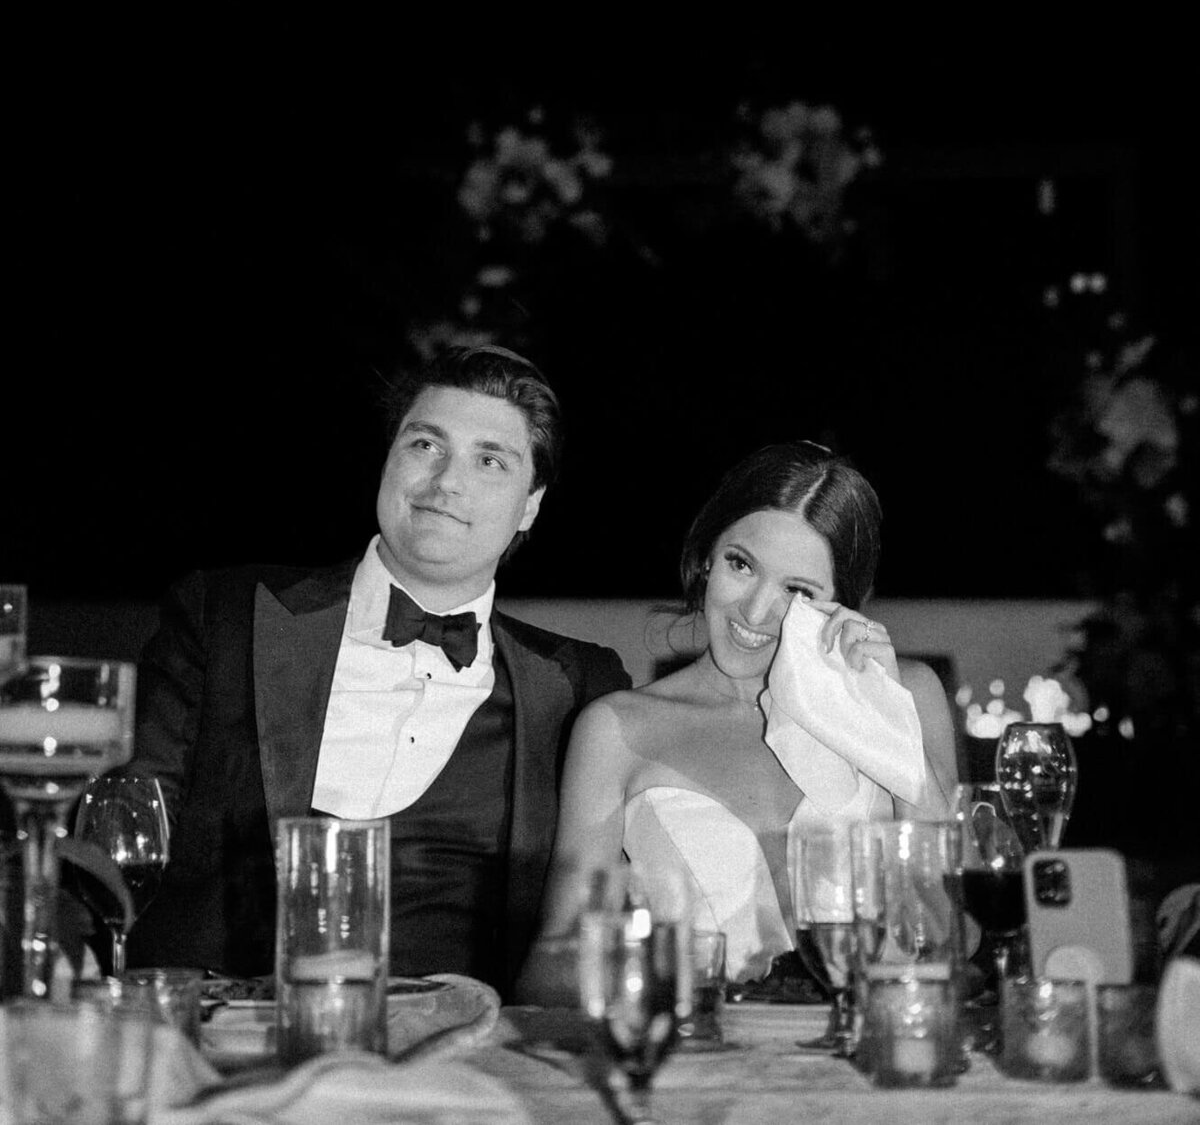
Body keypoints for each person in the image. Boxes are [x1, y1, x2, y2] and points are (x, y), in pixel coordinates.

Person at [125, 344, 630, 997]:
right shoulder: (222, 614)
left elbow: (592, 924)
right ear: (389, 458)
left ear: (530, 503)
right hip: (213, 1045)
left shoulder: (578, 688)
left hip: (451, 1067)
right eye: (425, 444)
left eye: (489, 460)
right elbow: (123, 829)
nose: (447, 480)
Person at [517, 440, 958, 997]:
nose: (753, 612)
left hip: (870, 1058)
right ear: (706, 556)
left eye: (797, 590)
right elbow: (549, 967)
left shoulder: (908, 695)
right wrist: (643, 976)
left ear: (843, 602)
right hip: (700, 1063)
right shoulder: (618, 729)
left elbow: (951, 935)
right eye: (741, 565)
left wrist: (885, 720)